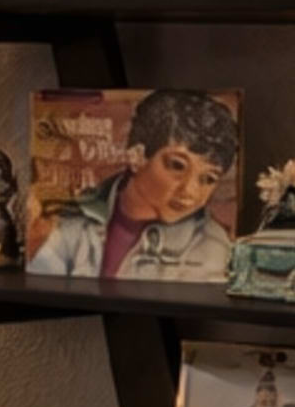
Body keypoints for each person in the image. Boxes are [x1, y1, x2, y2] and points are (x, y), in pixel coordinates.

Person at [26, 88, 241, 282]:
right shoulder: (75, 215)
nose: (190, 192)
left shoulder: (210, 245)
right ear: (137, 156)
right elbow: (42, 275)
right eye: (177, 166)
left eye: (208, 179)